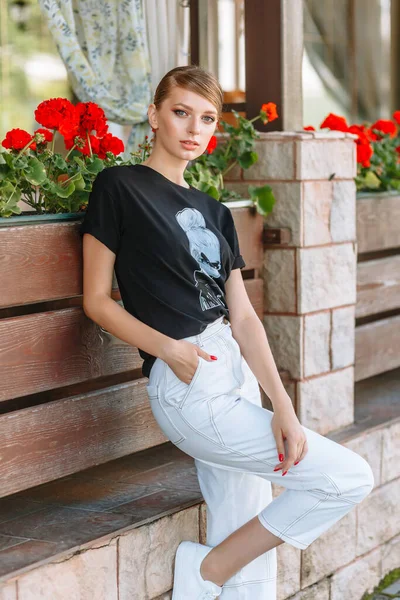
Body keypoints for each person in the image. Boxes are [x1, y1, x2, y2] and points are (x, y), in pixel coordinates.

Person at [80, 65, 374, 600]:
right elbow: (96, 300)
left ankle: (219, 582)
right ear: (154, 115)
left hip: (233, 373)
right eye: (181, 112)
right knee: (346, 478)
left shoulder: (214, 211)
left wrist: (282, 407)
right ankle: (206, 571)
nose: (194, 128)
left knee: (247, 515)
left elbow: (243, 318)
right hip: (187, 375)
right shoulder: (120, 186)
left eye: (208, 118)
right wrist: (173, 352)